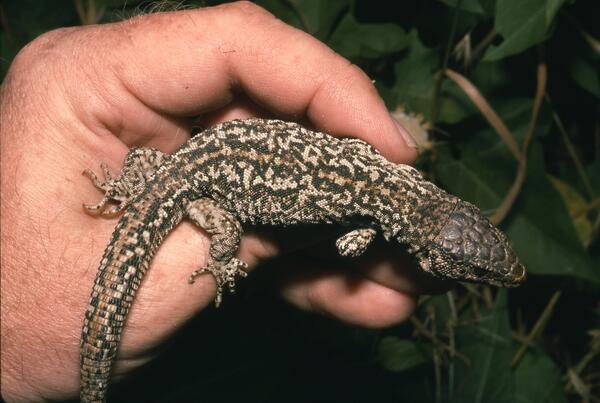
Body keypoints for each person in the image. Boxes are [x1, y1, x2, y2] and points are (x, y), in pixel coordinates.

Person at [0, 3, 447, 401]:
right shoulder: (374, 215)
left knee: (143, 164)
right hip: (192, 191)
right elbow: (347, 247)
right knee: (229, 235)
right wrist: (225, 259)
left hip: (172, 167)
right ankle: (211, 258)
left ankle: (127, 191)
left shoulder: (382, 166)